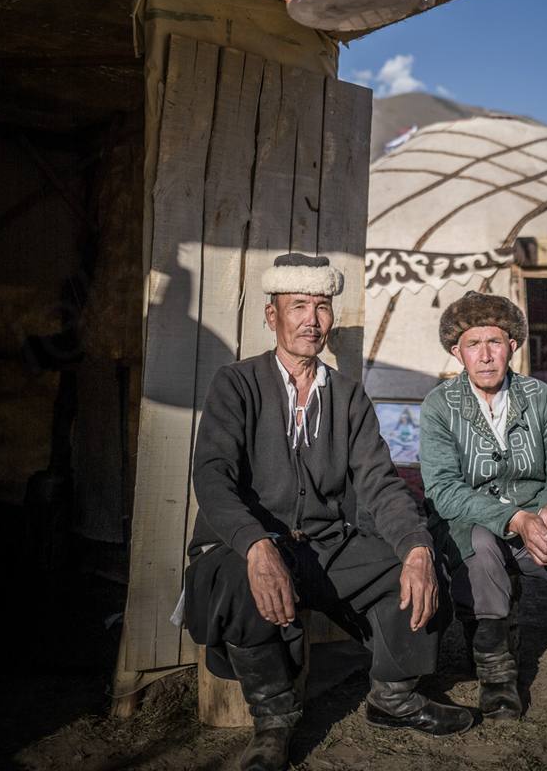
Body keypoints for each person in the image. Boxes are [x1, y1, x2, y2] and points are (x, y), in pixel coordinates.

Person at [184, 253, 472, 771]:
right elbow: (212, 477)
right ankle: (273, 720)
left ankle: (394, 697)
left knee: (407, 571)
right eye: (298, 306)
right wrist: (255, 543)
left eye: (321, 306)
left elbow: (381, 483)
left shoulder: (347, 395)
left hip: (325, 543)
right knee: (236, 578)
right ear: (272, 315)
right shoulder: (237, 383)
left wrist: (417, 548)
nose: (311, 320)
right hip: (252, 540)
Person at [420, 291, 547, 721]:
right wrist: (514, 519)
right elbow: (443, 489)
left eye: (495, 342)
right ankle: (497, 676)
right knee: (482, 548)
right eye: (474, 344)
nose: (486, 356)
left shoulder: (539, 397)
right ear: (457, 352)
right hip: (470, 519)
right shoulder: (439, 406)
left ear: (513, 346)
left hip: (538, 511)